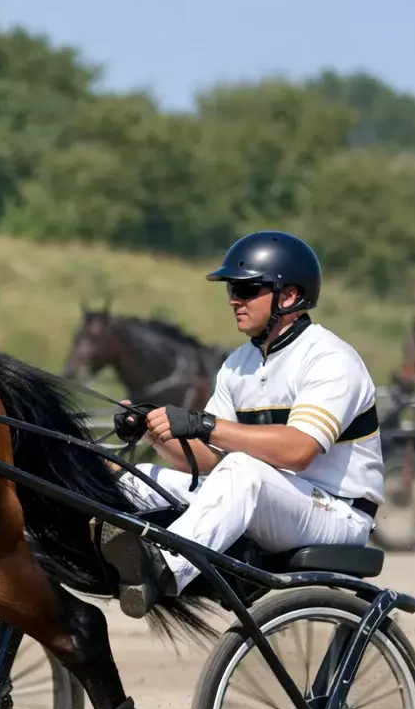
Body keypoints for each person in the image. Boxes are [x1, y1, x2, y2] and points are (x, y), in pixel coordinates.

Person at [101, 230, 385, 618]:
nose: (235, 299)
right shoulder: (238, 363)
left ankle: (166, 568)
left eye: (248, 290)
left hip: (337, 514)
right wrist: (154, 431)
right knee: (133, 477)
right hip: (266, 498)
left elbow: (298, 451)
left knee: (242, 468)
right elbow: (206, 462)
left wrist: (203, 424)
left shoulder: (330, 358)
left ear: (288, 296)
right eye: (232, 289)